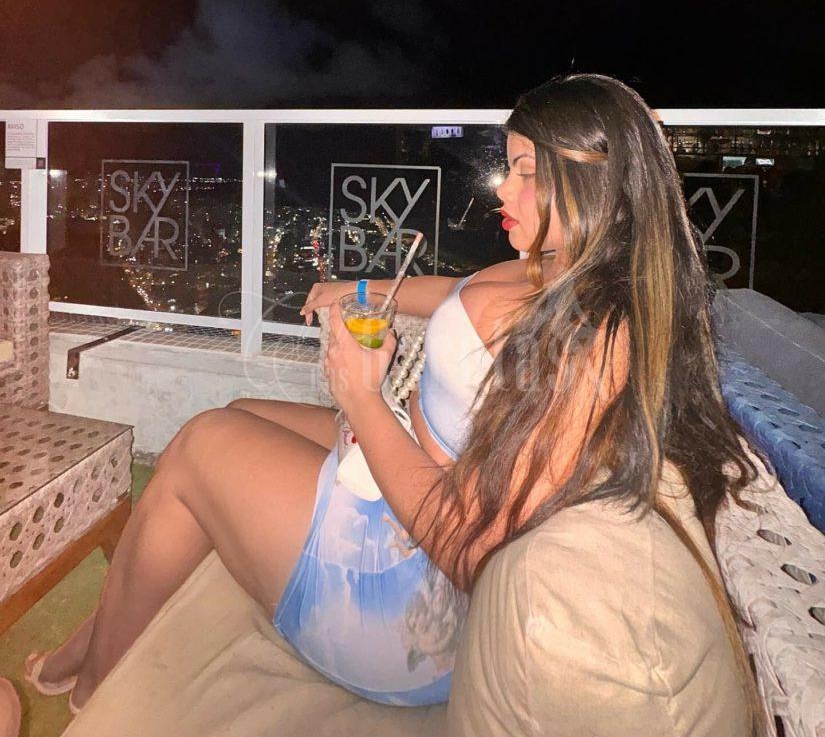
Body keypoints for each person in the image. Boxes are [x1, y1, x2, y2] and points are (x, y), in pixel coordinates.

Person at [24, 73, 763, 734]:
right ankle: (100, 633)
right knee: (244, 408)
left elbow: (468, 550)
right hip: (403, 470)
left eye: (526, 172)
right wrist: (358, 288)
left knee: (201, 445)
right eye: (507, 167)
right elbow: (459, 292)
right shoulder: (561, 269)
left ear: (599, 181)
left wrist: (363, 400)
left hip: (407, 604)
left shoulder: (592, 340)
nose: (502, 191)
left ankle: (91, 688)